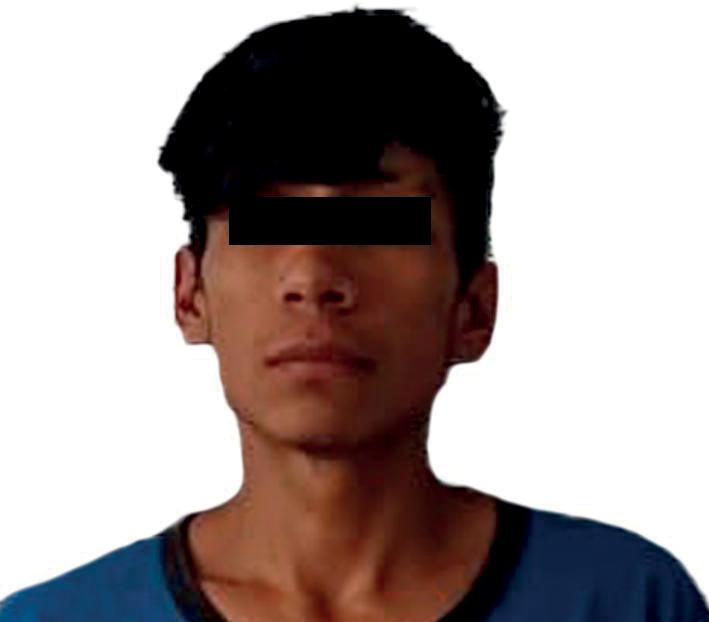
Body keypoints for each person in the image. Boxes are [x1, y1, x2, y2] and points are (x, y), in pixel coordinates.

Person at [1, 7, 706, 622]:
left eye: (379, 224)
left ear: (473, 307)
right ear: (190, 295)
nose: (313, 277)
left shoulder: (625, 601)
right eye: (264, 224)